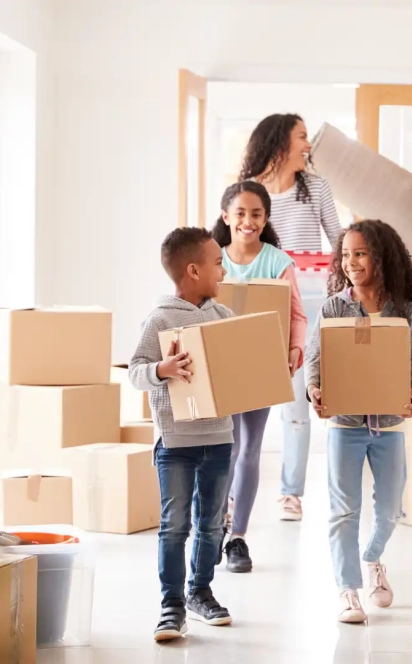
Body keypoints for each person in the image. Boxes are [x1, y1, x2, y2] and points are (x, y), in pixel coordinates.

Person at [304, 220, 412, 624]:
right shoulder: (333, 308)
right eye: (345, 255)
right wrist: (314, 389)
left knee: (391, 509)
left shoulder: (402, 310)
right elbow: (315, 358)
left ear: (381, 257)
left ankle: (373, 558)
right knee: (343, 511)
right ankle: (348, 589)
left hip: (389, 423)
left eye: (360, 254)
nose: (351, 263)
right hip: (344, 422)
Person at [129, 227, 234, 642]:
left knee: (211, 525)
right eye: (217, 263)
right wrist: (162, 370)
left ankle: (200, 591)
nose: (223, 270)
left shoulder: (223, 317)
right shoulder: (160, 318)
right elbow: (136, 370)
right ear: (193, 270)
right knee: (175, 525)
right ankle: (171, 604)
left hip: (220, 437)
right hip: (175, 443)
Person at [239, 113, 342, 522]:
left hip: (308, 306)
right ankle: (234, 491)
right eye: (301, 137)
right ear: (280, 142)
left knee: (297, 404)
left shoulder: (315, 188)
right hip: (260, 305)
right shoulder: (250, 196)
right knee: (244, 400)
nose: (308, 144)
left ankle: (290, 493)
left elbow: (339, 242)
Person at [211, 180, 308, 573]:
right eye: (241, 213)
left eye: (256, 214)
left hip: (262, 364)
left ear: (266, 219)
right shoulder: (212, 257)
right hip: (220, 365)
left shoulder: (278, 262)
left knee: (249, 448)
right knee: (224, 450)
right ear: (226, 216)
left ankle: (238, 538)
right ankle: (215, 527)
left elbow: (297, 314)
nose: (248, 222)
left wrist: (294, 351)